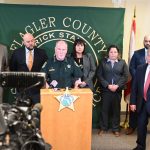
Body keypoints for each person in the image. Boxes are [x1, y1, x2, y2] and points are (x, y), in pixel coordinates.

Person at [97, 45, 128, 137]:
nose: (113, 54)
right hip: (106, 90)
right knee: (104, 110)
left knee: (116, 110)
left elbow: (125, 76)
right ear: (108, 53)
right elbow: (99, 75)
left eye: (115, 52)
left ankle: (115, 129)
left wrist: (117, 86)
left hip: (117, 90)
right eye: (111, 52)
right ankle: (103, 127)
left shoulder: (122, 63)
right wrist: (107, 85)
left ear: (118, 53)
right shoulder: (103, 62)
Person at [9, 33, 48, 105]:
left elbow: (46, 69)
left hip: (37, 91)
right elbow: (12, 68)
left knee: (38, 114)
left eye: (32, 41)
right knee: (22, 114)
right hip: (22, 91)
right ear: (23, 42)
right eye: (28, 41)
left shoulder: (42, 53)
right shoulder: (16, 53)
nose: (31, 43)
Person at [126, 35, 150, 135]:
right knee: (135, 106)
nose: (148, 43)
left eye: (149, 41)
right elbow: (132, 67)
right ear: (143, 41)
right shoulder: (136, 53)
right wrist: (140, 78)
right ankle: (132, 126)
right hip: (139, 85)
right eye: (146, 41)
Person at [130, 48, 150, 150]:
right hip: (142, 103)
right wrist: (133, 102)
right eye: (149, 55)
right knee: (141, 126)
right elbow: (134, 87)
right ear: (147, 57)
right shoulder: (140, 68)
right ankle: (140, 146)